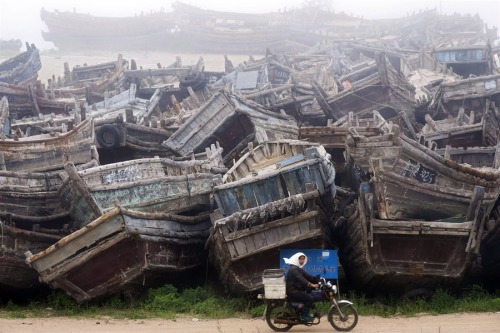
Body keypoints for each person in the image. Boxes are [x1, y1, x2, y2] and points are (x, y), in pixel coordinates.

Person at [284, 252, 319, 322]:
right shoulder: (294, 269)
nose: (302, 261)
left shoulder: (297, 268)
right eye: (300, 259)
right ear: (296, 260)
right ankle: (304, 316)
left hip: (296, 289)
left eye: (303, 259)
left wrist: (316, 279)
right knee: (310, 298)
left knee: (310, 293)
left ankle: (302, 312)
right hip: (293, 291)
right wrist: (311, 284)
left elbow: (306, 275)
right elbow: (301, 279)